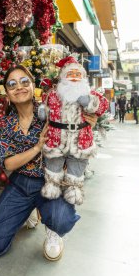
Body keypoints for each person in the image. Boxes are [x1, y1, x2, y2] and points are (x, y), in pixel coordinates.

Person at [0, 64, 98, 261]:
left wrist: (88, 121)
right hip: (20, 185)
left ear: (33, 85)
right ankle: (28, 211)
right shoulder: (7, 124)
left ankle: (53, 230)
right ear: (6, 92)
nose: (19, 87)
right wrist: (37, 147)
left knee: (61, 220)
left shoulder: (51, 110)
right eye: (12, 84)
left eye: (24, 81)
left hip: (51, 182)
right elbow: (8, 164)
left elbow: (78, 115)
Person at [38, 56, 108, 205]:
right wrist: (43, 111)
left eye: (78, 75)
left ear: (83, 77)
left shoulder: (90, 93)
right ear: (63, 77)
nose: (75, 78)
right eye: (71, 74)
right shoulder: (54, 93)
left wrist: (90, 102)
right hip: (57, 138)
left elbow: (103, 105)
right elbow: (46, 103)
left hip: (80, 138)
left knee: (77, 165)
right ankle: (52, 185)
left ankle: (74, 190)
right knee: (54, 162)